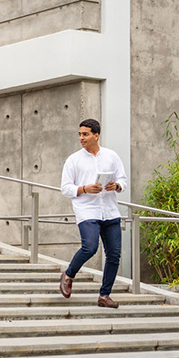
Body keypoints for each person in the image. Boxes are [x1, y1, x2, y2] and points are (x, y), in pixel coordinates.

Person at [59, 118, 128, 308]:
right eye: (80, 134)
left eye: (85, 134)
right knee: (89, 247)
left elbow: (122, 178)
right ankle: (68, 274)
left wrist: (118, 185)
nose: (81, 138)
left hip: (110, 210)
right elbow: (65, 188)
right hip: (87, 210)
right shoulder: (73, 160)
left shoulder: (111, 156)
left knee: (114, 255)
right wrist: (84, 189)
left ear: (96, 135)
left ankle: (104, 296)